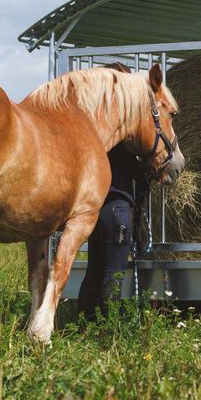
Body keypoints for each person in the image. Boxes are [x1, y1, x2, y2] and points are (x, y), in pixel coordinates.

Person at [77, 63, 144, 319]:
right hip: (117, 207)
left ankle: (84, 321)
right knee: (114, 272)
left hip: (98, 208)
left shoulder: (94, 126)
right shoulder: (120, 132)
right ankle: (109, 328)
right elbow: (136, 169)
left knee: (94, 268)